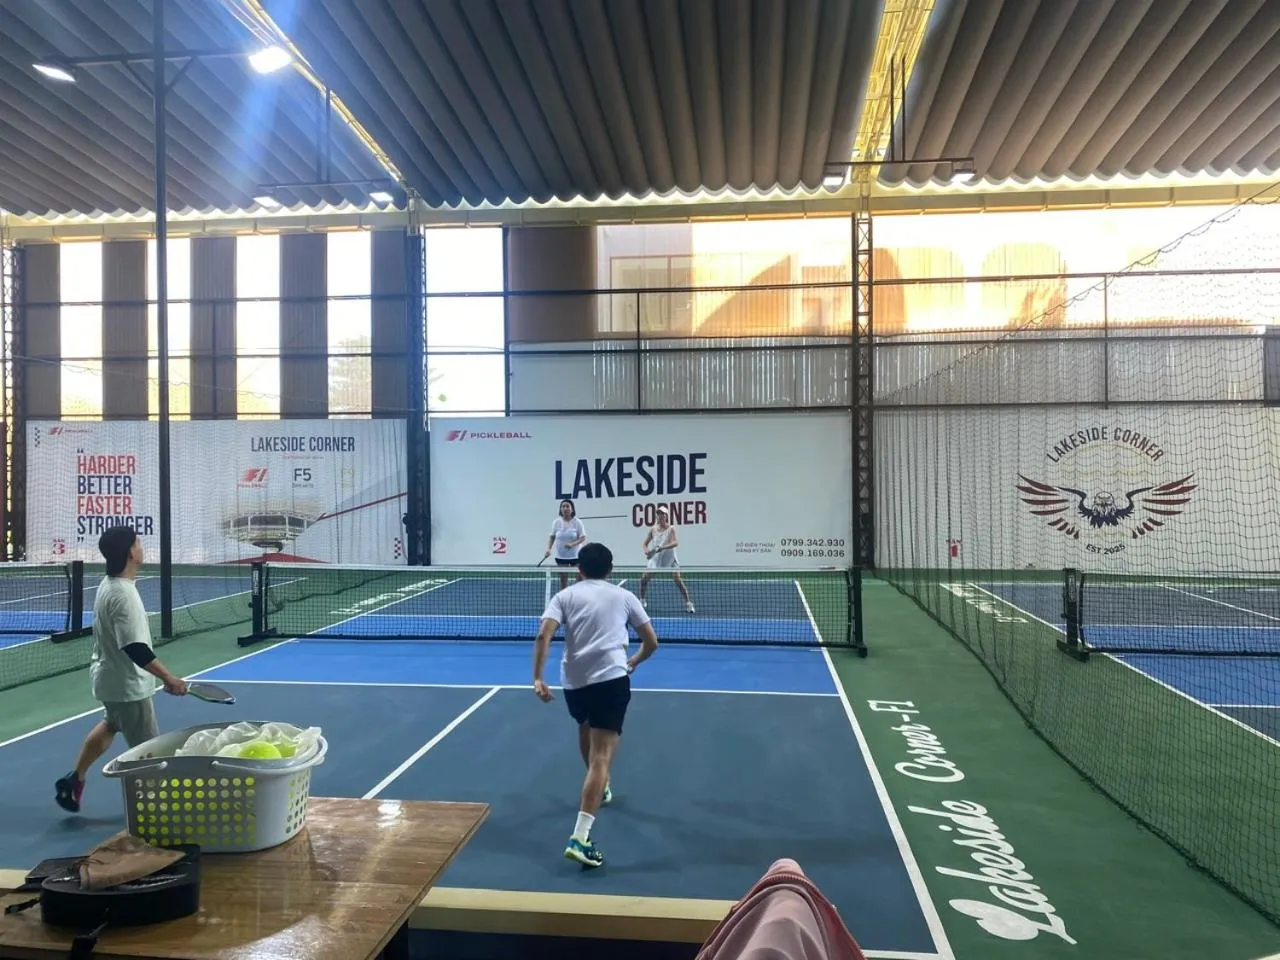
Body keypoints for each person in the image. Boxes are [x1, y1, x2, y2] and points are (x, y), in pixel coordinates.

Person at [532, 542, 659, 868]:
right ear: (611, 569)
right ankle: (580, 836)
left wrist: (537, 678)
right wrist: (635, 660)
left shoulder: (564, 597)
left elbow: (543, 636)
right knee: (602, 757)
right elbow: (651, 642)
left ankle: (600, 788)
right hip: (610, 680)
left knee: (584, 726)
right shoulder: (625, 597)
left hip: (574, 683)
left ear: (579, 569)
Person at [55, 526, 188, 814]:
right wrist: (169, 678)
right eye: (139, 543)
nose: (142, 547)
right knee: (150, 752)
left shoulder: (110, 584)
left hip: (109, 680)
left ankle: (74, 779)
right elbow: (136, 648)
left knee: (111, 724)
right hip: (128, 687)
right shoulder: (124, 596)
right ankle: (155, 810)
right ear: (130, 552)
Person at [639, 505, 694, 612]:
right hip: (656, 558)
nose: (659, 516)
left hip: (670, 558)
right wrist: (646, 550)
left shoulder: (671, 529)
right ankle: (642, 600)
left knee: (677, 580)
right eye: (658, 514)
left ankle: (689, 603)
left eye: (662, 514)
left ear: (666, 516)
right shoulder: (653, 530)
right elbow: (645, 543)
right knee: (643, 579)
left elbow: (675, 542)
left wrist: (663, 547)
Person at [544, 499, 587, 591]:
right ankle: (565, 599)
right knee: (563, 580)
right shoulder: (556, 522)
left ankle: (577, 596)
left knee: (579, 578)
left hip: (576, 556)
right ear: (560, 509)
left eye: (567, 506)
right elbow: (552, 537)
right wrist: (548, 549)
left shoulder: (577, 522)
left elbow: (583, 537)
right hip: (561, 556)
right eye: (563, 506)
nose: (565, 508)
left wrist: (572, 544)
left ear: (572, 509)